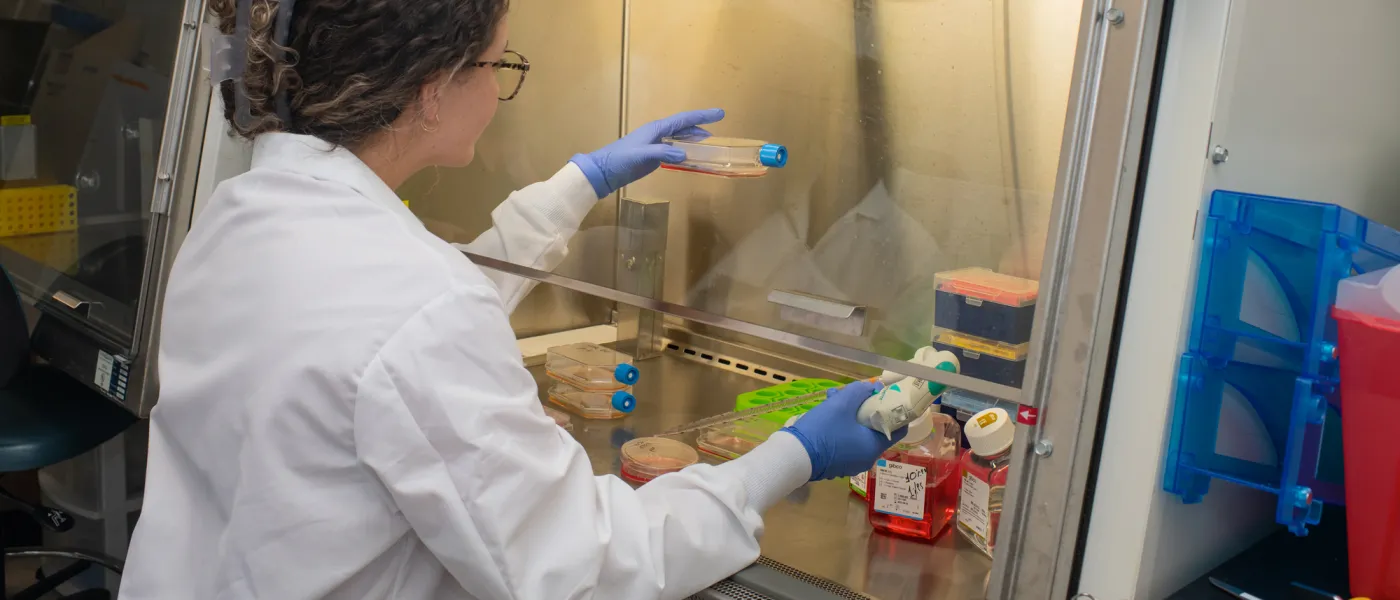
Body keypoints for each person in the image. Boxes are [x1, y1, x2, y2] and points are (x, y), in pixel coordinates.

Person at [119, 1, 903, 598]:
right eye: (499, 65)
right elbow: (580, 564)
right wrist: (790, 456)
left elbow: (389, 337)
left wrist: (580, 183)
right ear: (431, 90)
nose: (500, 90)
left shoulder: (233, 217)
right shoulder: (410, 303)